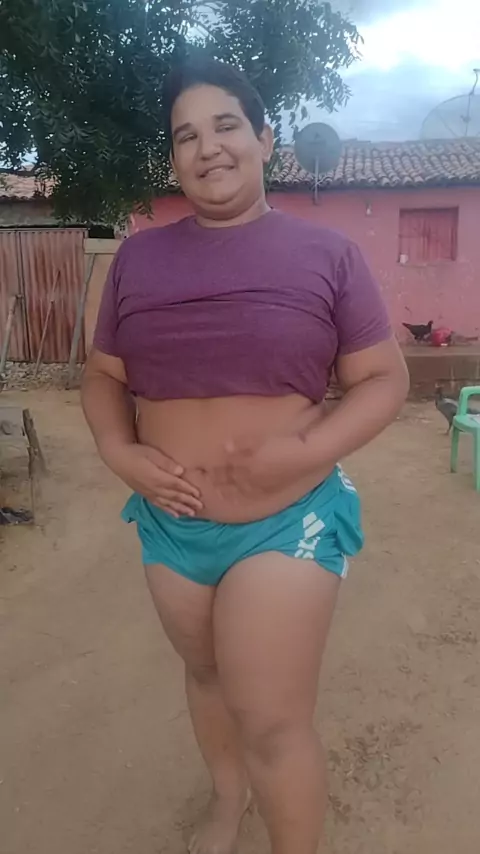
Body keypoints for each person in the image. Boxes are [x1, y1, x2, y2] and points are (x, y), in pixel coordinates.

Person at [82, 57, 409, 854]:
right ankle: (229, 802)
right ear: (173, 158)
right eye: (186, 136)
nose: (208, 148)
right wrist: (120, 451)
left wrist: (302, 452)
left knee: (270, 718)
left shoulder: (328, 254)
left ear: (264, 139)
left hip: (286, 519)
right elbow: (103, 376)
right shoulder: (138, 259)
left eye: (225, 125)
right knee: (207, 676)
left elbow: (383, 380)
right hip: (172, 526)